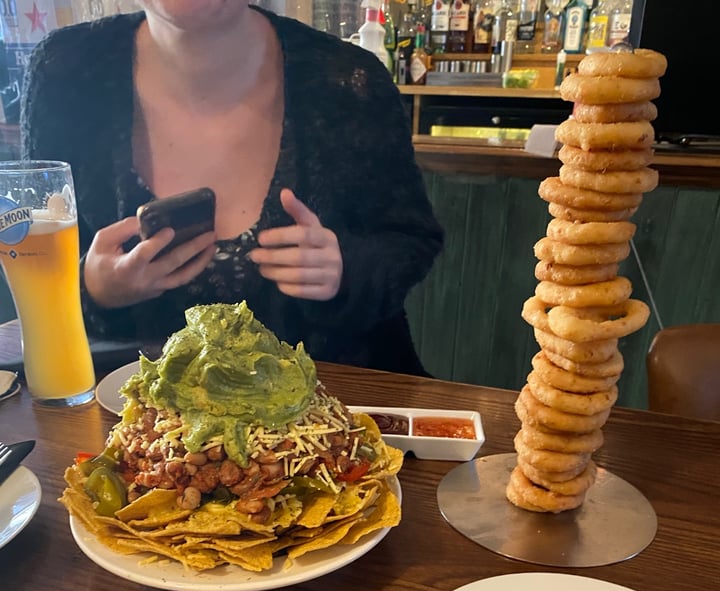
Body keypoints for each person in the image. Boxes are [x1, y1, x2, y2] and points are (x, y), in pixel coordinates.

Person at [20, 1, 444, 376]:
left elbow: (411, 240)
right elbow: (31, 264)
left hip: (343, 424)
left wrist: (345, 271)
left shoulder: (351, 81)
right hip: (136, 436)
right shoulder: (65, 72)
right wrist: (93, 289)